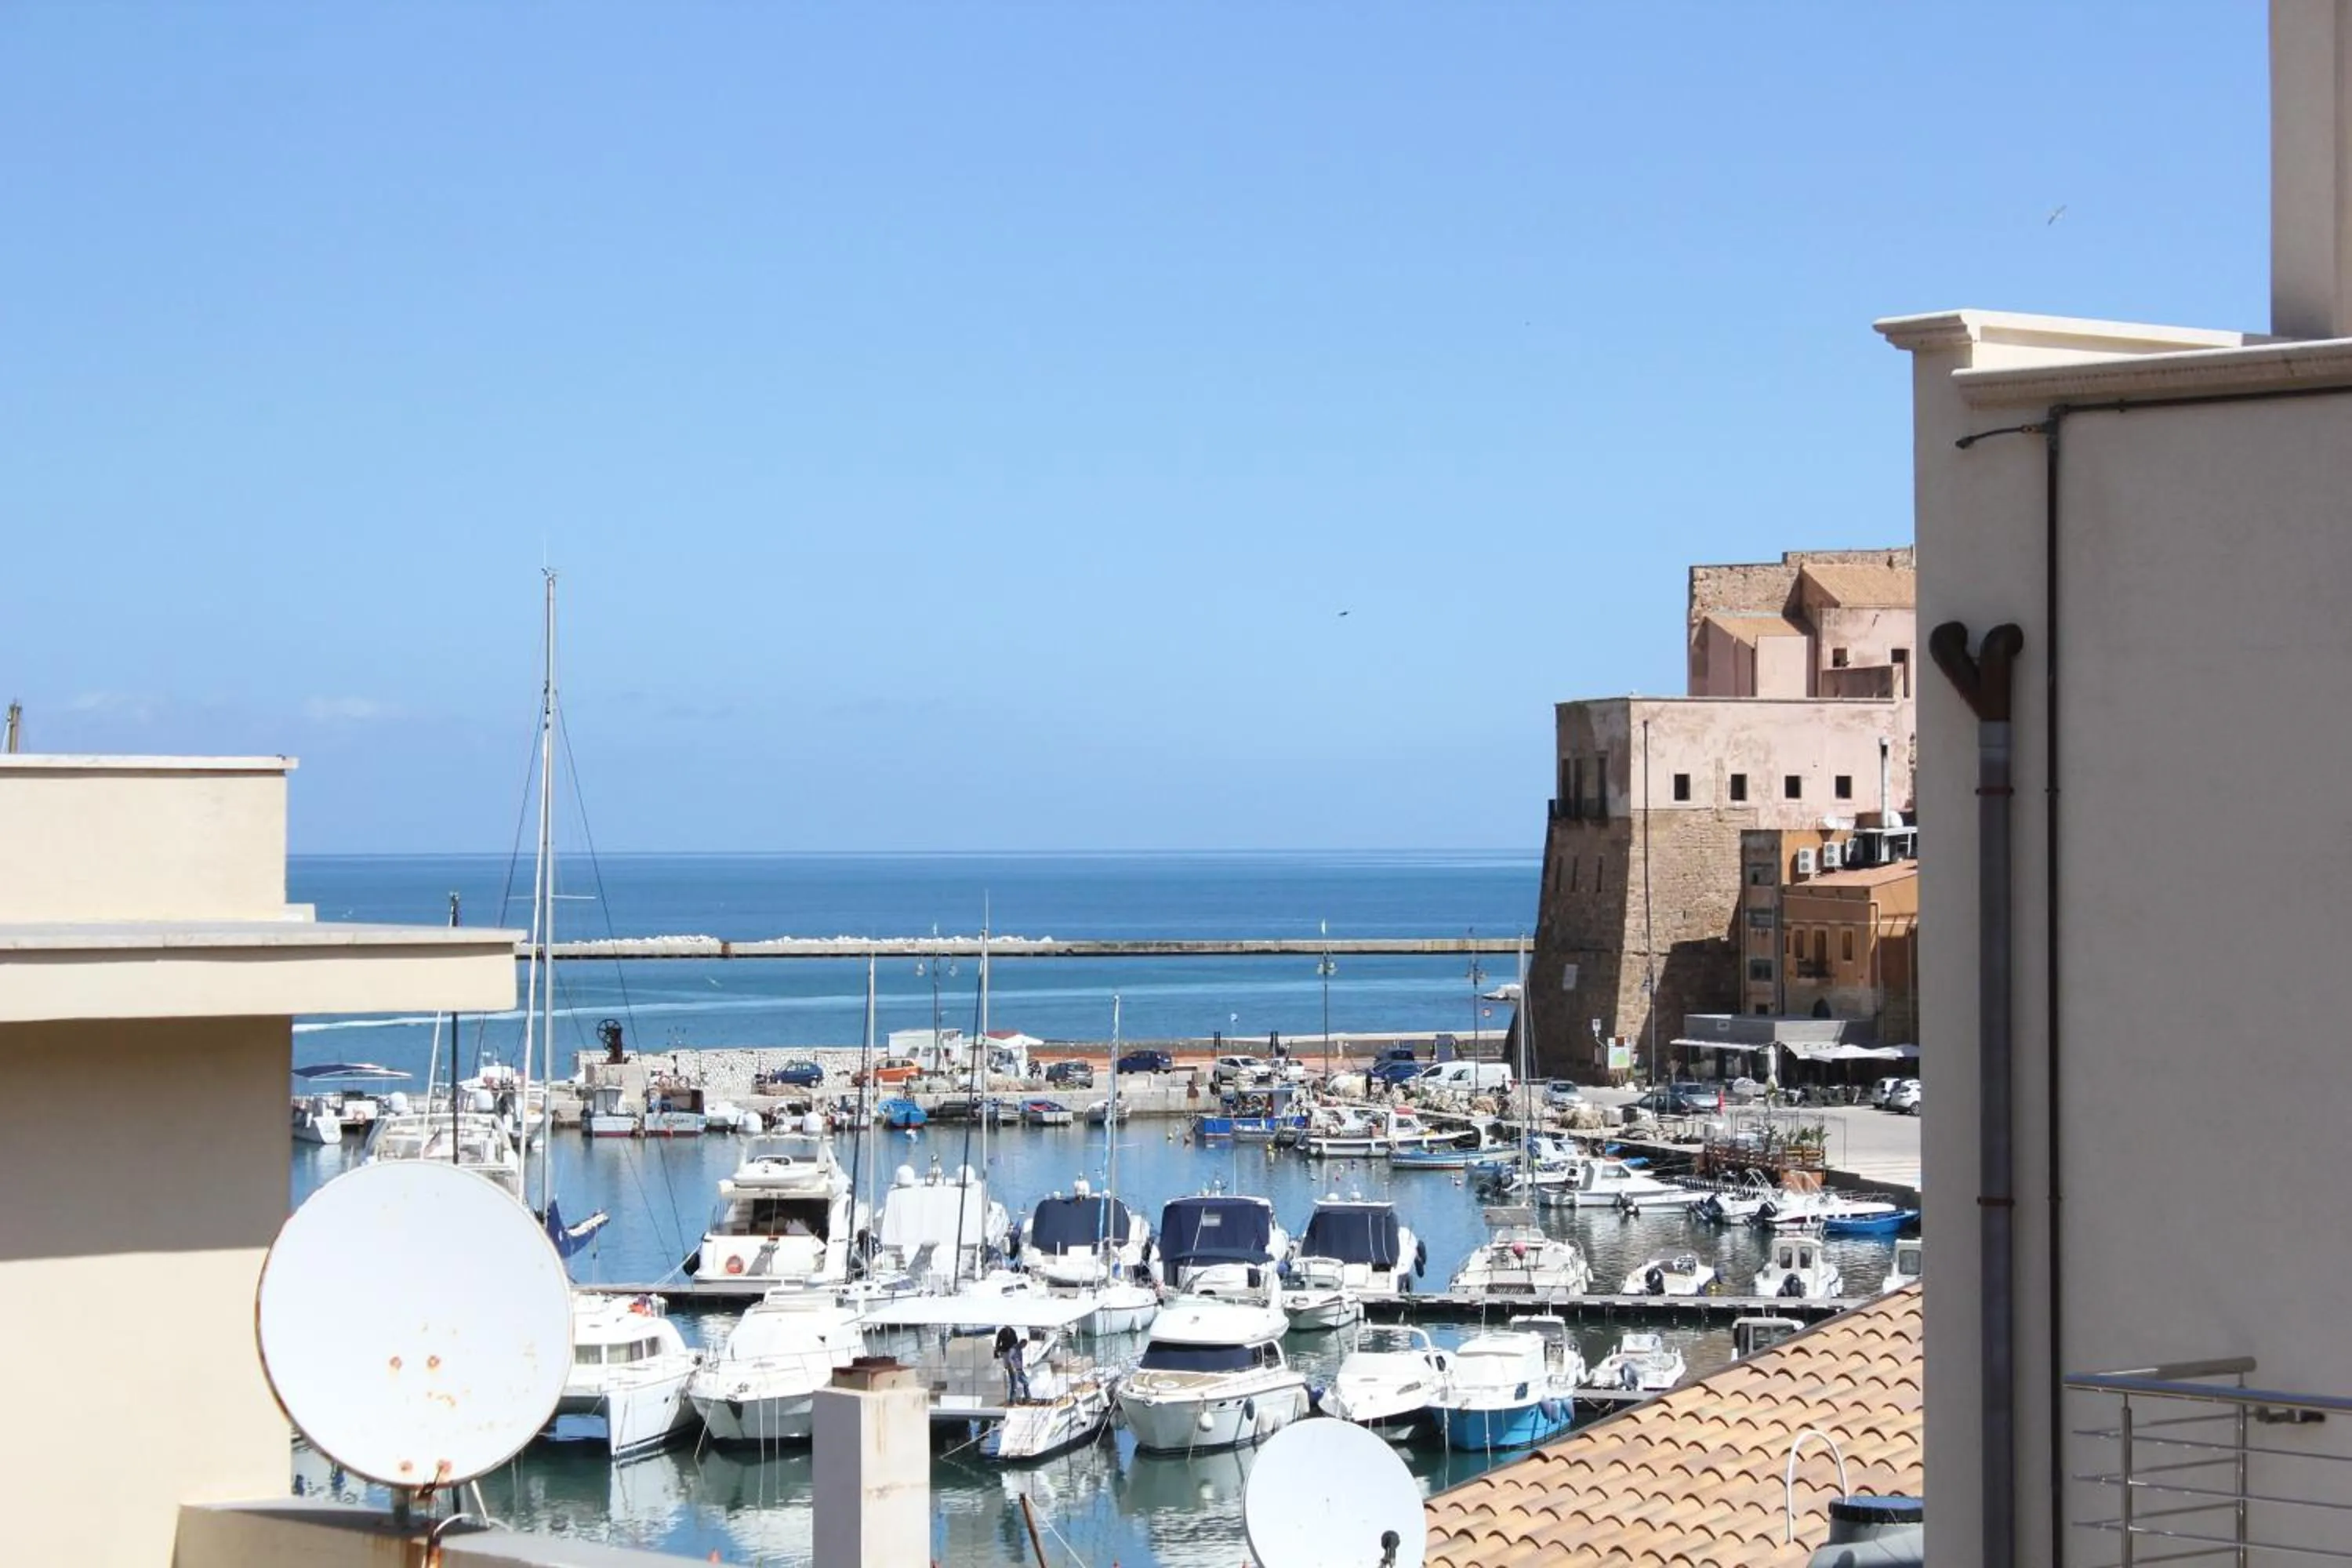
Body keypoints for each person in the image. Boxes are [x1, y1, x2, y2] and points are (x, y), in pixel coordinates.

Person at [996, 1324, 1031, 1404]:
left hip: (1019, 1369)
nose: (1024, 1347)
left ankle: (1028, 1398)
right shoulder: (1014, 1348)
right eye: (1024, 1345)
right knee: (1014, 1386)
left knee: (1026, 1382)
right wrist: (1012, 1366)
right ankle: (1012, 1401)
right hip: (1014, 1369)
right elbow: (1009, 1357)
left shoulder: (1013, 1333)